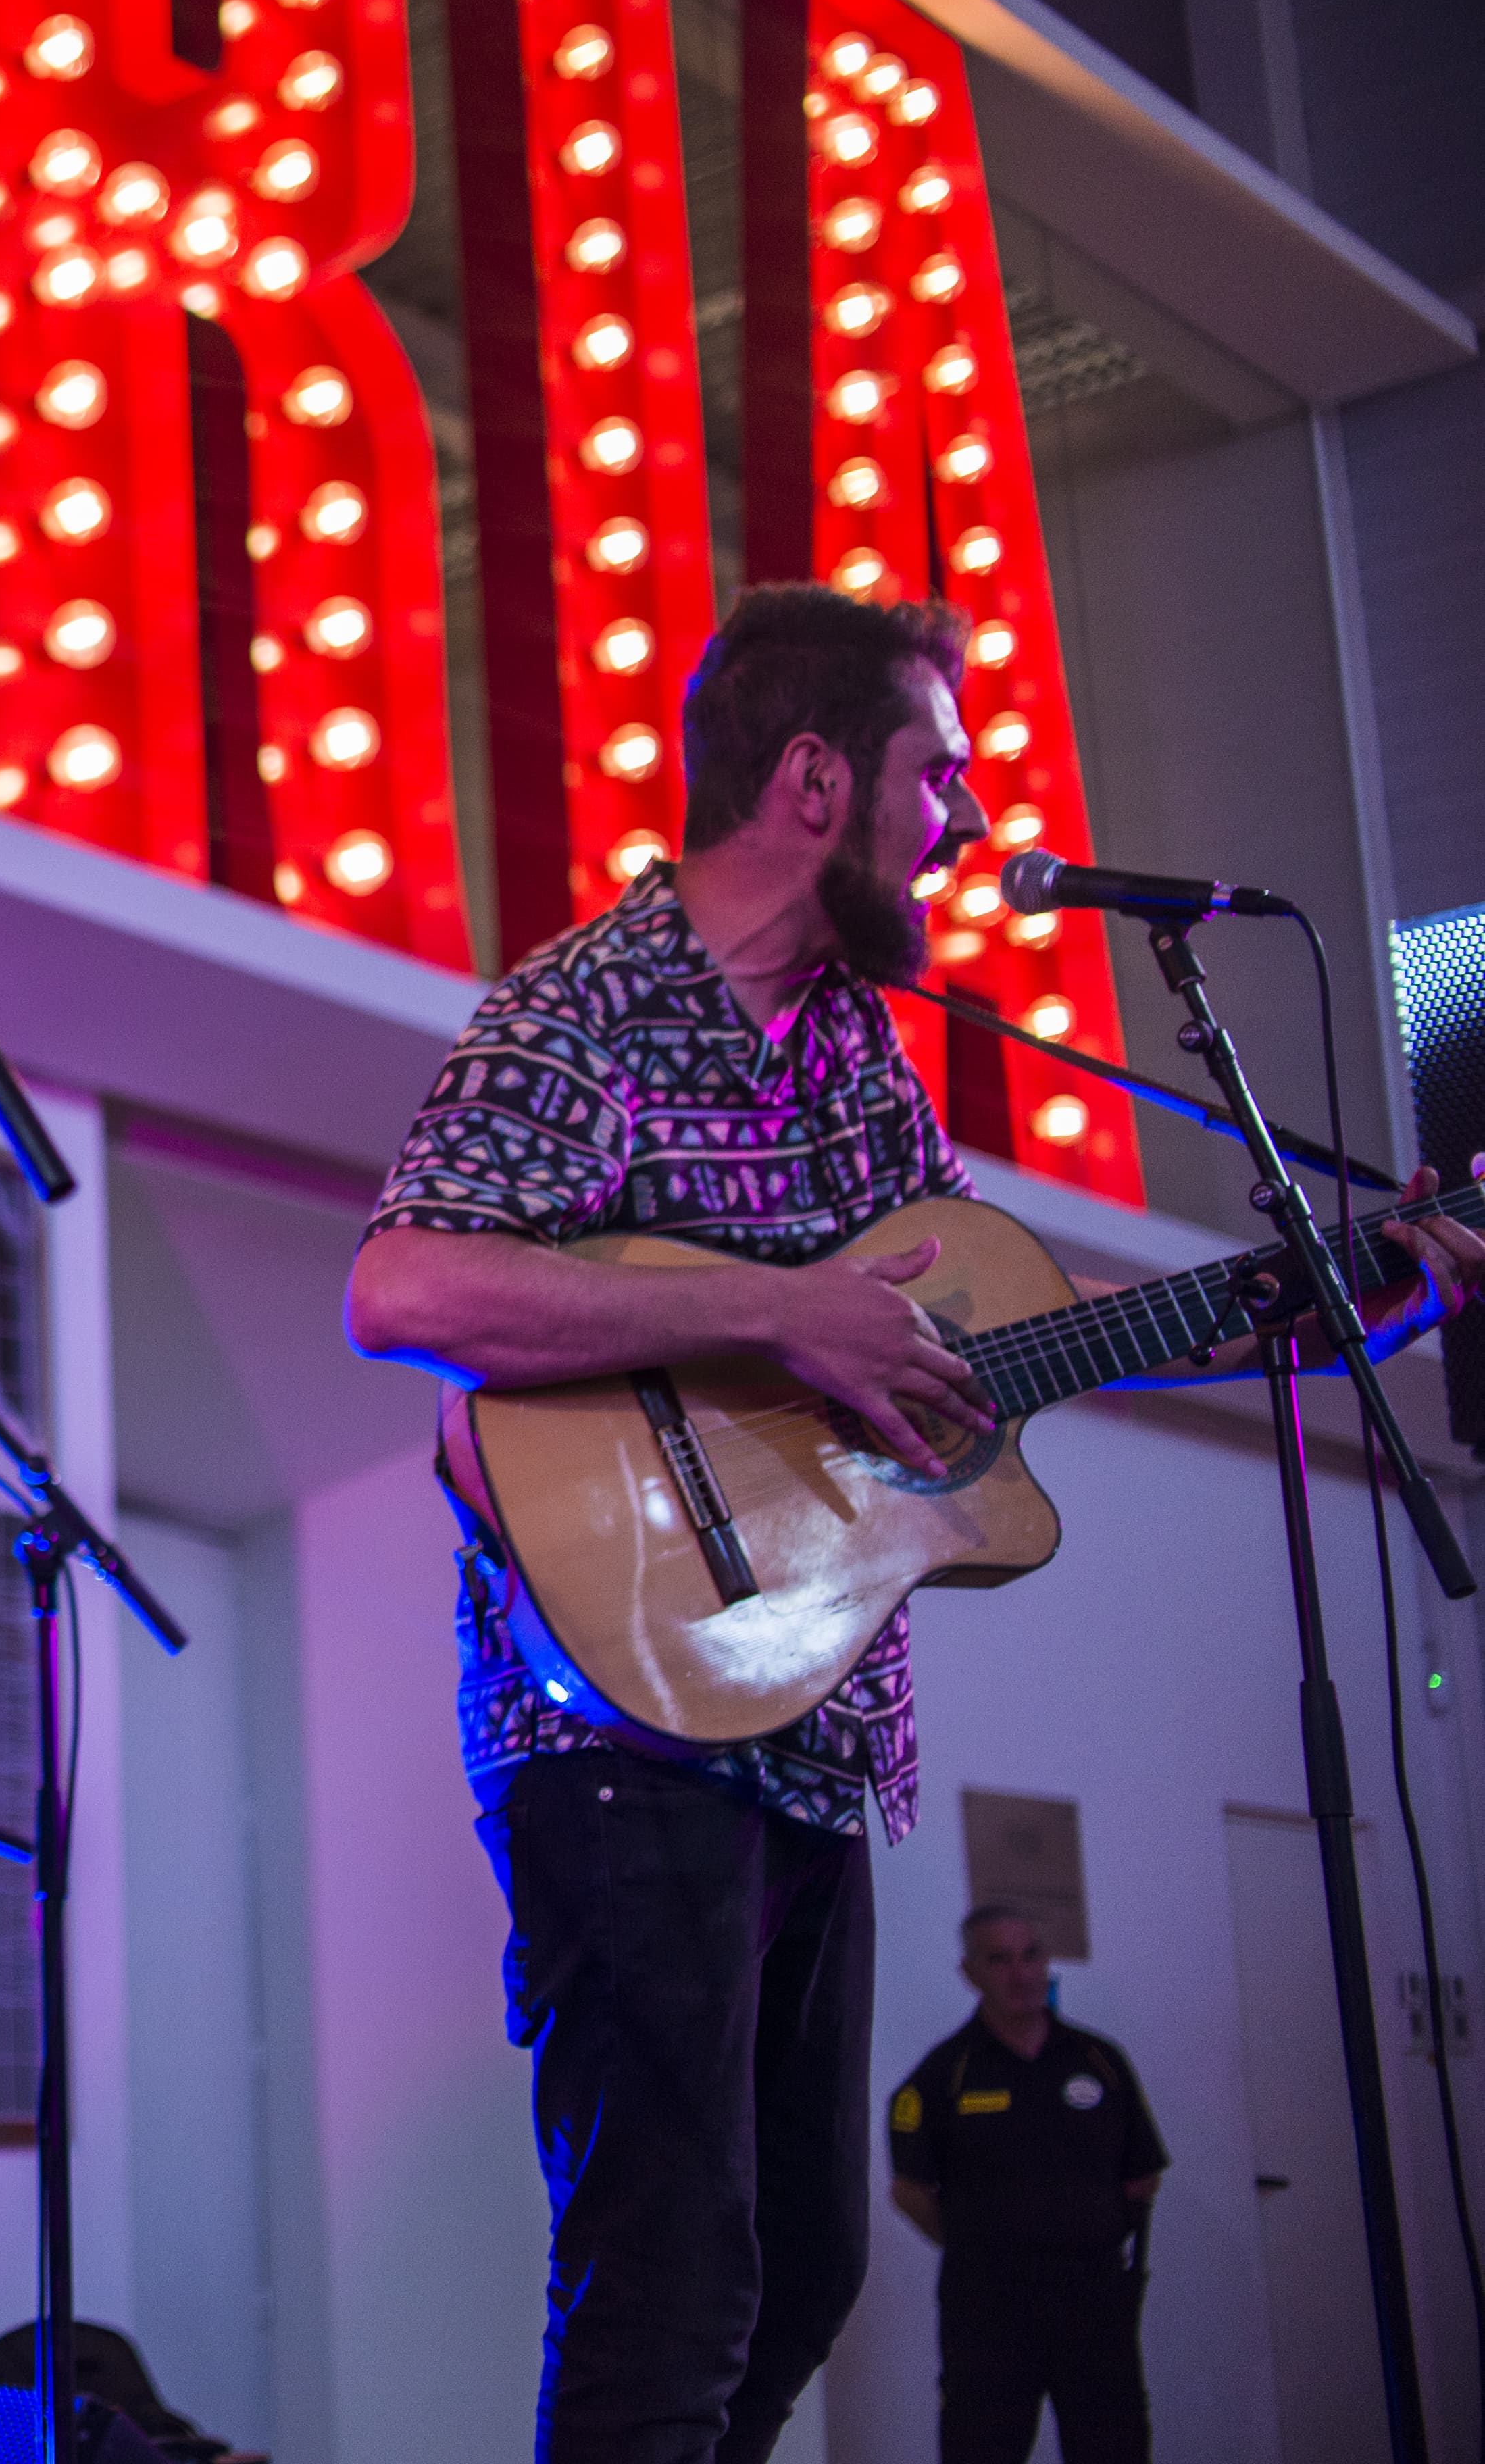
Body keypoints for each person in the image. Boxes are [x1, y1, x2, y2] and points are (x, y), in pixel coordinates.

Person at [343, 582, 1482, 2464]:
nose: (958, 824)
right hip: (615, 1739)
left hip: (811, 1731)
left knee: (797, 2276)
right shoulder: (583, 1005)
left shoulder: (862, 1059)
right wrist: (770, 1309)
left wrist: (1349, 1297)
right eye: (930, 777)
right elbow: (400, 1290)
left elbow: (1004, 1350)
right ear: (810, 778)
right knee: (665, 2276)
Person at [887, 1907, 1165, 2464]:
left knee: (1115, 2449)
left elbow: (1142, 2177)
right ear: (971, 1973)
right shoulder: (944, 2074)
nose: (1020, 1973)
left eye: (1031, 1955)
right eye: (1000, 1959)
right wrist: (980, 2242)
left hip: (1093, 2302)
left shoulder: (1100, 2061)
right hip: (989, 2306)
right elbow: (910, 2190)